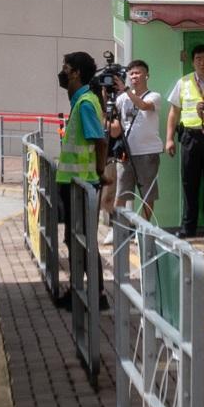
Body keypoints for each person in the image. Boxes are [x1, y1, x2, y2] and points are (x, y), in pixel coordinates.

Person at [54, 51, 108, 257]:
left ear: (76, 74)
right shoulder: (84, 100)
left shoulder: (84, 104)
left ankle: (96, 288)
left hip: (81, 183)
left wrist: (100, 171)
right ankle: (84, 288)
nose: (62, 74)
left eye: (66, 69)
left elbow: (100, 142)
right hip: (77, 182)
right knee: (75, 237)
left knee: (81, 239)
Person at [166, 45, 204, 237]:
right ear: (193, 61)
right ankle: (188, 227)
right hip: (190, 137)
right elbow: (174, 112)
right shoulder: (184, 82)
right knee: (190, 183)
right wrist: (169, 140)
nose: (202, 62)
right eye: (198, 58)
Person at [113, 60, 164, 218]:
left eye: (138, 72)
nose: (134, 76)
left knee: (147, 195)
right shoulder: (121, 99)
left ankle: (143, 230)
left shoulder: (154, 96)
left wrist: (126, 90)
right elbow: (116, 125)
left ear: (147, 75)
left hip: (147, 152)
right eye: (131, 73)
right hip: (126, 153)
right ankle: (118, 228)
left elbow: (143, 106)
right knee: (121, 193)